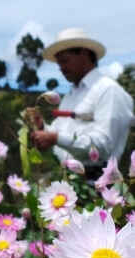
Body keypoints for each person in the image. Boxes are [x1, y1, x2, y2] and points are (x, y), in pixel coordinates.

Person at [31, 28, 134, 174]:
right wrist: (43, 129)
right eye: (59, 63)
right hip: (69, 178)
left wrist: (55, 138)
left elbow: (103, 146)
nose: (61, 68)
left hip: (98, 183)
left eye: (65, 61)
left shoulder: (108, 90)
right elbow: (60, 131)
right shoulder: (71, 95)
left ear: (84, 54)